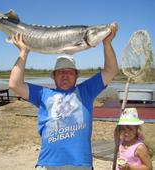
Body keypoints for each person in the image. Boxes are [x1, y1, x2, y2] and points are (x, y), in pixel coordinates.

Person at [9, 22, 118, 170]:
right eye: (60, 72)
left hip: (81, 164)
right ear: (54, 76)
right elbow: (15, 84)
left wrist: (107, 44)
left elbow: (110, 71)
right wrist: (23, 52)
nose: (65, 75)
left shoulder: (86, 91)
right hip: (48, 164)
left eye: (69, 72)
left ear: (76, 76)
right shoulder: (43, 94)